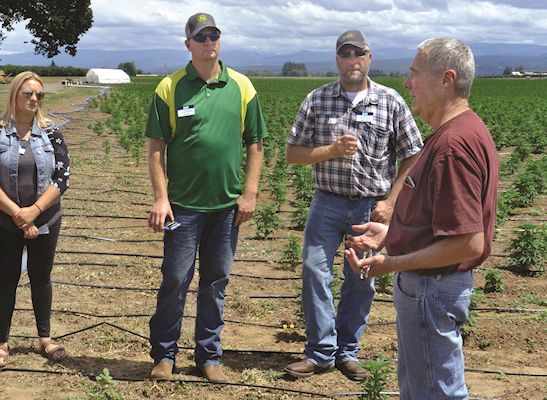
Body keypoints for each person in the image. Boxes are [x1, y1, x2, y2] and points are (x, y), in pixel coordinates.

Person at [345, 37, 499, 399]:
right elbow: (441, 221)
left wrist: (392, 262)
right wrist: (390, 231)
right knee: (420, 386)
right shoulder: (459, 131)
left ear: (446, 79)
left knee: (436, 391)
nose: (407, 83)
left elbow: (467, 241)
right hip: (432, 288)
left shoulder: (453, 146)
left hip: (432, 289)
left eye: (414, 74)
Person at [284, 30, 423, 381]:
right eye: (346, 54)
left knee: (361, 279)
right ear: (337, 59)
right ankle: (320, 353)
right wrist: (331, 150)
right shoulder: (317, 100)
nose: (352, 60)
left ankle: (348, 352)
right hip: (326, 203)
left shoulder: (390, 101)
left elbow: (413, 155)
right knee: (315, 272)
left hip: (370, 209)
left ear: (369, 58)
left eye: (359, 53)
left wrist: (391, 202)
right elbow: (292, 153)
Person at [146, 12, 267, 383]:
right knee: (175, 278)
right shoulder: (170, 87)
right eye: (200, 37)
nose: (208, 42)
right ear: (188, 44)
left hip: (226, 208)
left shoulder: (242, 87)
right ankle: (165, 355)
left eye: (213, 35)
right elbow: (155, 148)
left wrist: (249, 193)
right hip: (182, 207)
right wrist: (160, 198)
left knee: (216, 282)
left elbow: (256, 144)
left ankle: (208, 355)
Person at [0, 71, 70, 367]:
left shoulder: (52, 132)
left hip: (46, 218)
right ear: (14, 94)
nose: (34, 99)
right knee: (7, 278)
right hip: (5, 221)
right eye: (28, 93)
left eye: (39, 95)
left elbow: (63, 176)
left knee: (41, 277)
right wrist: (18, 214)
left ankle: (45, 338)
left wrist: (35, 212)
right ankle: (2, 342)